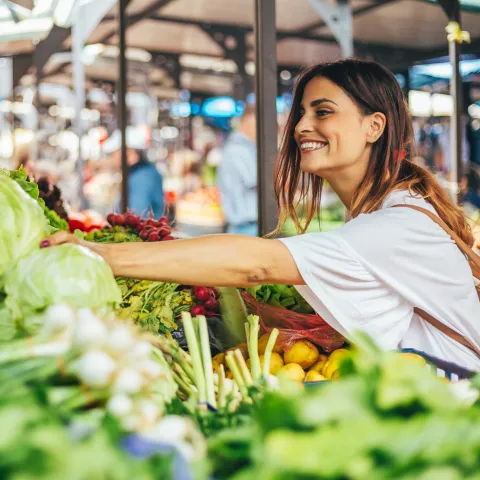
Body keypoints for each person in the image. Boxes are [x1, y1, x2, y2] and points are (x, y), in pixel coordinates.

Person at [42, 59, 480, 371]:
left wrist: (98, 254)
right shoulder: (385, 212)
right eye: (301, 113)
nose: (302, 126)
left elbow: (259, 263)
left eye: (323, 112)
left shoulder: (396, 224)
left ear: (374, 127)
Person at [103, 127, 164, 218]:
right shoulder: (140, 172)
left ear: (129, 152)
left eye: (114, 153)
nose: (113, 158)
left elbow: (136, 216)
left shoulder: (142, 177)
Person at [218, 104, 258, 236]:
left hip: (246, 227)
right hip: (245, 227)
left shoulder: (243, 146)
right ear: (248, 120)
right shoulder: (239, 149)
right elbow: (259, 182)